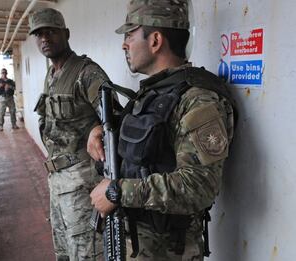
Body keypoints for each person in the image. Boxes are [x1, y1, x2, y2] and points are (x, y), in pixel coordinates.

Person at [88, 0, 236, 260]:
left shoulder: (197, 99)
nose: (124, 44)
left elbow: (199, 186)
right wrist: (100, 130)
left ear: (155, 40)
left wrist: (117, 192)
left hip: (168, 251)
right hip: (135, 242)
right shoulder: (153, 92)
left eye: (130, 35)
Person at [29, 8, 110, 261]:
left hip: (82, 180)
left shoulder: (87, 72)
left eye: (51, 31)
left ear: (66, 34)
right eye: (39, 34)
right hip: (57, 179)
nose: (44, 38)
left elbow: (114, 120)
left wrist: (99, 129)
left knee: (86, 252)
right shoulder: (51, 74)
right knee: (63, 250)